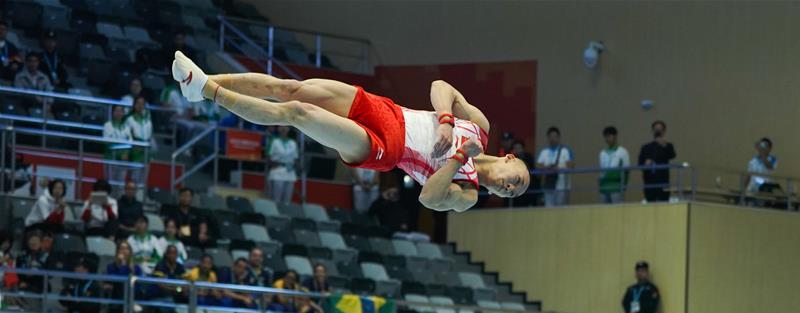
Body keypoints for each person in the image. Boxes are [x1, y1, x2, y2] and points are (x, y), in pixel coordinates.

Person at [171, 52, 530, 211]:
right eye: (518, 180)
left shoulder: (467, 194)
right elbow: (442, 86)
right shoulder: (480, 129)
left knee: (298, 112)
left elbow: (428, 199)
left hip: (384, 148)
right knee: (290, 89)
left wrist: (456, 159)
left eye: (513, 194)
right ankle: (198, 82)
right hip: (386, 109)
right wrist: (446, 120)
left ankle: (207, 90)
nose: (510, 187)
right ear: (510, 158)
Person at [637, 120, 677, 202]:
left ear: (664, 131)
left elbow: (672, 155)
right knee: (650, 207)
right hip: (649, 183)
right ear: (652, 131)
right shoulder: (646, 147)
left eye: (660, 129)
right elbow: (640, 165)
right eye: (656, 129)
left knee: (664, 206)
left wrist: (664, 145)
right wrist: (645, 164)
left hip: (663, 182)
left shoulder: (668, 146)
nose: (658, 131)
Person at [536, 127, 573, 207]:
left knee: (562, 209)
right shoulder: (544, 152)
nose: (552, 139)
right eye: (550, 137)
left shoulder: (565, 151)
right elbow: (538, 166)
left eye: (554, 136)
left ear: (559, 137)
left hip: (562, 186)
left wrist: (557, 168)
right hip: (548, 185)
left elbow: (570, 165)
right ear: (548, 138)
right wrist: (548, 168)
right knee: (549, 208)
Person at [103, 105, 134, 191]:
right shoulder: (107, 125)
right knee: (109, 185)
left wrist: (126, 154)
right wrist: (120, 154)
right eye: (116, 110)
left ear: (124, 113)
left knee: (120, 186)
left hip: (123, 161)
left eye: (121, 111)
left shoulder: (127, 127)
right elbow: (107, 143)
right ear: (113, 112)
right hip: (110, 159)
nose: (118, 113)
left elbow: (130, 143)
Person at [266, 126, 300, 205]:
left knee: (287, 199)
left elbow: (295, 158)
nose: (284, 129)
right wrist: (272, 165)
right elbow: (268, 156)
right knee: (276, 199)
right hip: (277, 170)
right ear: (278, 128)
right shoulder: (273, 141)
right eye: (281, 127)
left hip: (290, 171)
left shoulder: (293, 142)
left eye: (286, 127)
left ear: (288, 129)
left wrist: (297, 167)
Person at [598, 126, 630, 203]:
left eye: (609, 136)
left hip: (616, 187)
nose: (607, 139)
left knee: (617, 212)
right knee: (604, 212)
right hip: (603, 188)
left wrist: (624, 186)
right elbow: (601, 171)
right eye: (605, 137)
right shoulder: (602, 153)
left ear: (615, 136)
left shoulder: (622, 151)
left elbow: (627, 170)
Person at [125, 95, 153, 185]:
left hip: (146, 153)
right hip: (135, 152)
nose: (140, 106)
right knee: (133, 179)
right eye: (138, 103)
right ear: (134, 105)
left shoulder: (148, 121)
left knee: (143, 181)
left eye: (142, 104)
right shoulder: (129, 119)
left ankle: (140, 197)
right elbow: (128, 136)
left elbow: (149, 137)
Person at [104, 241, 135, 313]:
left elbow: (136, 286)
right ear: (117, 251)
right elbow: (119, 281)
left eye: (127, 249)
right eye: (122, 248)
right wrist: (123, 265)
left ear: (130, 252)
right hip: (116, 300)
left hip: (132, 300)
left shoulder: (136, 268)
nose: (124, 251)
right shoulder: (111, 267)